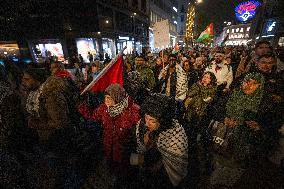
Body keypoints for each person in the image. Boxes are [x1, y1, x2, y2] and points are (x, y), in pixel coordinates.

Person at [78, 84, 140, 186]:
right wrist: (82, 106)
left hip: (125, 151)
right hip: (109, 147)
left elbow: (140, 131)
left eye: (110, 98)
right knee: (112, 169)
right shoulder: (103, 109)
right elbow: (92, 116)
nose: (107, 100)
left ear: (118, 98)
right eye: (106, 97)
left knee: (126, 174)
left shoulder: (132, 111)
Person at [129, 94, 188, 189]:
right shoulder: (143, 126)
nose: (146, 123)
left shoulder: (174, 136)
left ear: (162, 120)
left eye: (152, 120)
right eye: (146, 118)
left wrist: (138, 159)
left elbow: (166, 166)